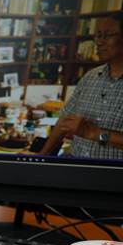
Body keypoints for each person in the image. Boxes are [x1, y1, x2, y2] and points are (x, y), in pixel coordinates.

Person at [38, 12, 123, 159]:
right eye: (98, 35)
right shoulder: (91, 77)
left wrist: (96, 134)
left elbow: (92, 133)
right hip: (74, 164)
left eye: (107, 35)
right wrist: (42, 156)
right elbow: (64, 121)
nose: (99, 42)